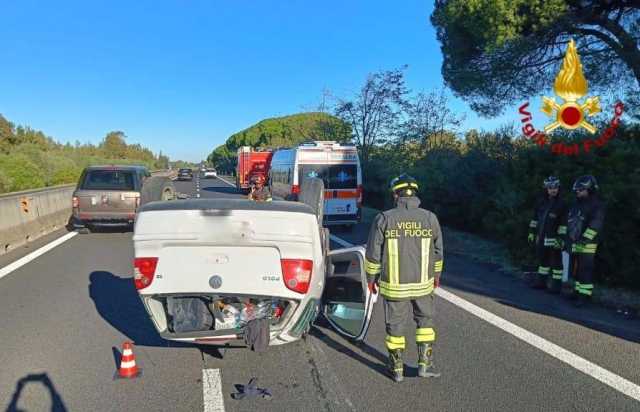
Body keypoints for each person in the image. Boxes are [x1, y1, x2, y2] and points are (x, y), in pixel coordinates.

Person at [364, 174, 443, 383]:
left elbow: (373, 253)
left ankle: (396, 369)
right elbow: (438, 252)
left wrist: (371, 278)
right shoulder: (430, 218)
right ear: (415, 193)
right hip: (423, 285)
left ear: (395, 194)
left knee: (395, 326)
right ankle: (425, 366)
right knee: (425, 322)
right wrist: (436, 276)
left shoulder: (384, 218)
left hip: (394, 286)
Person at [560, 175, 605, 307]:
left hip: (587, 245)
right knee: (577, 271)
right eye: (577, 190)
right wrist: (566, 239)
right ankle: (578, 292)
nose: (577, 192)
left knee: (585, 271)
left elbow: (596, 224)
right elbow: (569, 222)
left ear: (589, 189)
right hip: (574, 242)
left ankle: (584, 297)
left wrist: (585, 239)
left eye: (580, 190)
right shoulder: (575, 205)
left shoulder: (596, 205)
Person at [527, 176, 566, 293]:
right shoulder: (541, 202)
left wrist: (560, 238)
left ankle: (556, 287)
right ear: (546, 189)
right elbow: (535, 219)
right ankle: (541, 283)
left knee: (556, 264)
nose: (553, 190)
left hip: (554, 239)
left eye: (555, 187)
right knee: (543, 262)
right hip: (541, 238)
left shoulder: (562, 204)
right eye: (550, 188)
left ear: (559, 188)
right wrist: (531, 232)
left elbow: (564, 224)